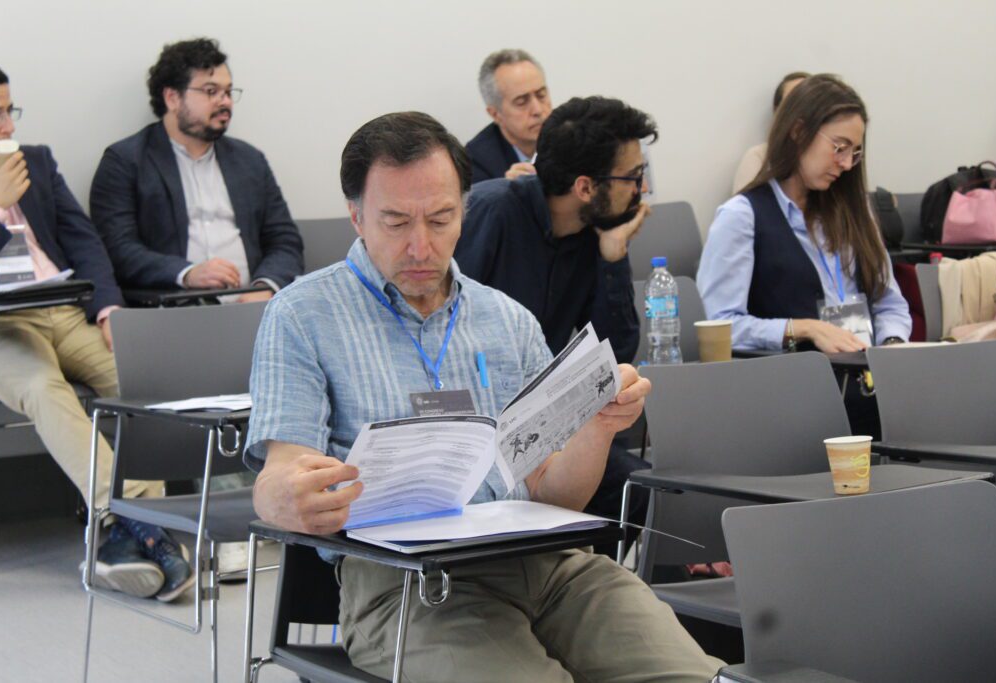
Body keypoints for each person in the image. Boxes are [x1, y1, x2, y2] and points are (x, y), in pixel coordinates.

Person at [246, 111, 723, 682]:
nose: (421, 246)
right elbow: (281, 473)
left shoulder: (506, 319)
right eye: (395, 222)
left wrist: (596, 428)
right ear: (356, 215)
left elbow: (553, 490)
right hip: (407, 587)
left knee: (695, 678)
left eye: (441, 219)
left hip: (549, 565)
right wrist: (286, 497)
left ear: (464, 210)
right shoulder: (302, 316)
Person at [0, 65, 193, 602]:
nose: (7, 125)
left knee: (140, 380)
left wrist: (109, 311)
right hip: (2, 327)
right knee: (42, 388)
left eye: (10, 110)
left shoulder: (35, 160)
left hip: (64, 309)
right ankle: (138, 521)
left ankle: (126, 540)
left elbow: (83, 241)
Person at [455, 96, 653, 547]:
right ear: (585, 187)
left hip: (549, 428)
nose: (641, 190)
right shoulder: (491, 212)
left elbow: (615, 354)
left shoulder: (594, 233)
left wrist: (613, 257)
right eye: (632, 177)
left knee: (648, 493)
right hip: (478, 432)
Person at [698, 74, 911, 353]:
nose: (847, 164)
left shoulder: (855, 212)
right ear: (798, 132)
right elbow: (720, 326)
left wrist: (892, 345)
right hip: (795, 375)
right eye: (839, 147)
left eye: (854, 152)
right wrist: (802, 329)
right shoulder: (741, 217)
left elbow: (890, 304)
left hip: (867, 369)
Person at [90, 38, 303, 298]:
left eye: (228, 92)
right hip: (177, 306)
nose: (225, 102)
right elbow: (117, 248)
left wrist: (265, 287)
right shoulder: (125, 161)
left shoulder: (250, 160)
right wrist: (187, 273)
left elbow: (285, 240)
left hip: (252, 302)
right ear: (172, 98)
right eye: (211, 91)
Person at [465, 49, 551, 183]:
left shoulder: (568, 134)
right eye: (521, 102)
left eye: (541, 95)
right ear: (495, 114)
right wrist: (506, 190)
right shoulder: (476, 164)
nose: (538, 110)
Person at [731, 71, 811, 194]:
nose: (799, 110)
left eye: (806, 102)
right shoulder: (759, 158)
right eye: (791, 103)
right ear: (776, 111)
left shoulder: (829, 160)